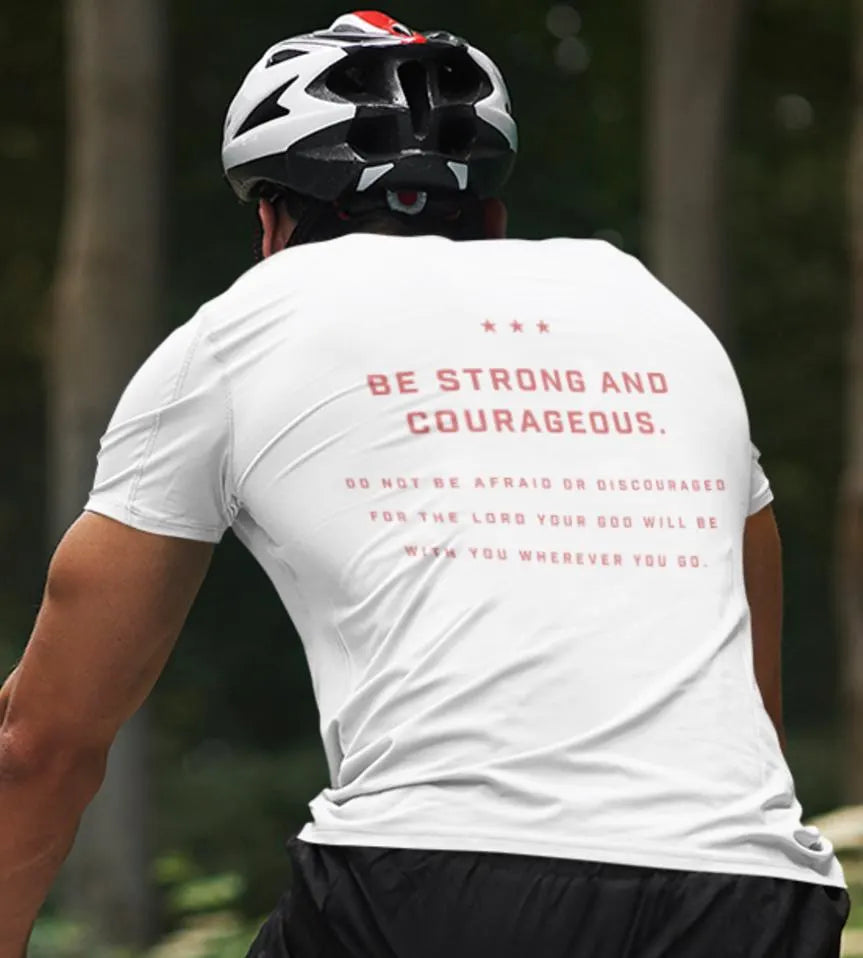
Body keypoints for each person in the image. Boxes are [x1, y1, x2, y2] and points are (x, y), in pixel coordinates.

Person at [0, 11, 851, 958]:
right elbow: (749, 702)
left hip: (430, 879)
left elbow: (45, 742)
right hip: (751, 887)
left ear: (271, 221)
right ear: (490, 217)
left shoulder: (246, 321)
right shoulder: (656, 312)